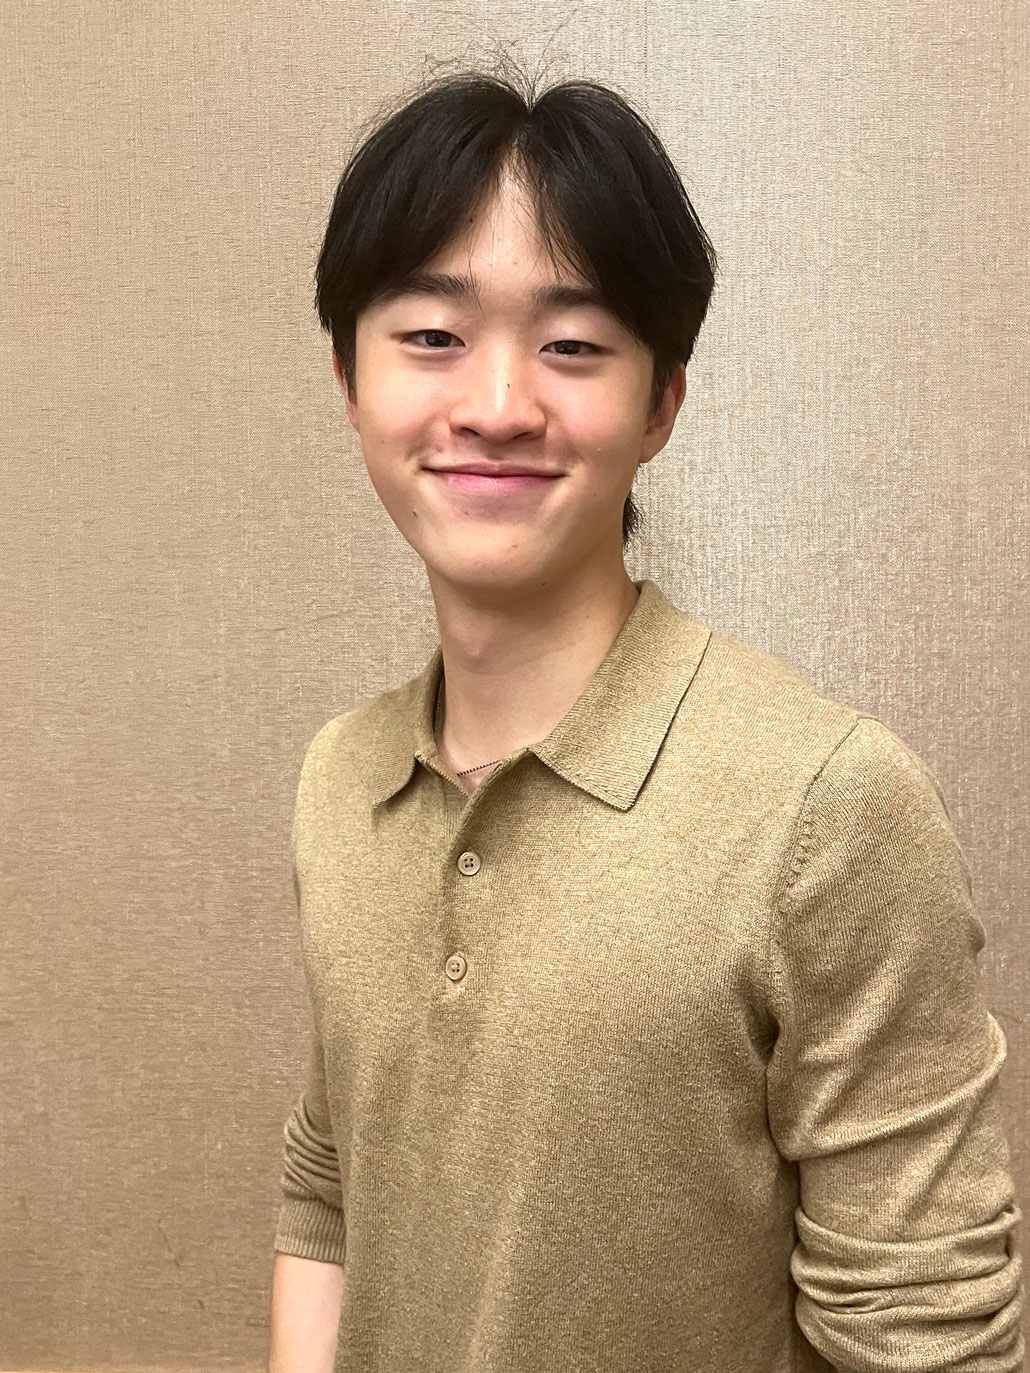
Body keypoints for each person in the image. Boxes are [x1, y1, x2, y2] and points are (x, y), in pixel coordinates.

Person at [266, 64, 1024, 1373]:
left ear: (661, 401)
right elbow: (329, 1191)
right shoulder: (339, 781)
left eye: (571, 344)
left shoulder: (828, 805)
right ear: (348, 378)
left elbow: (925, 1342)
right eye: (431, 336)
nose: (497, 404)